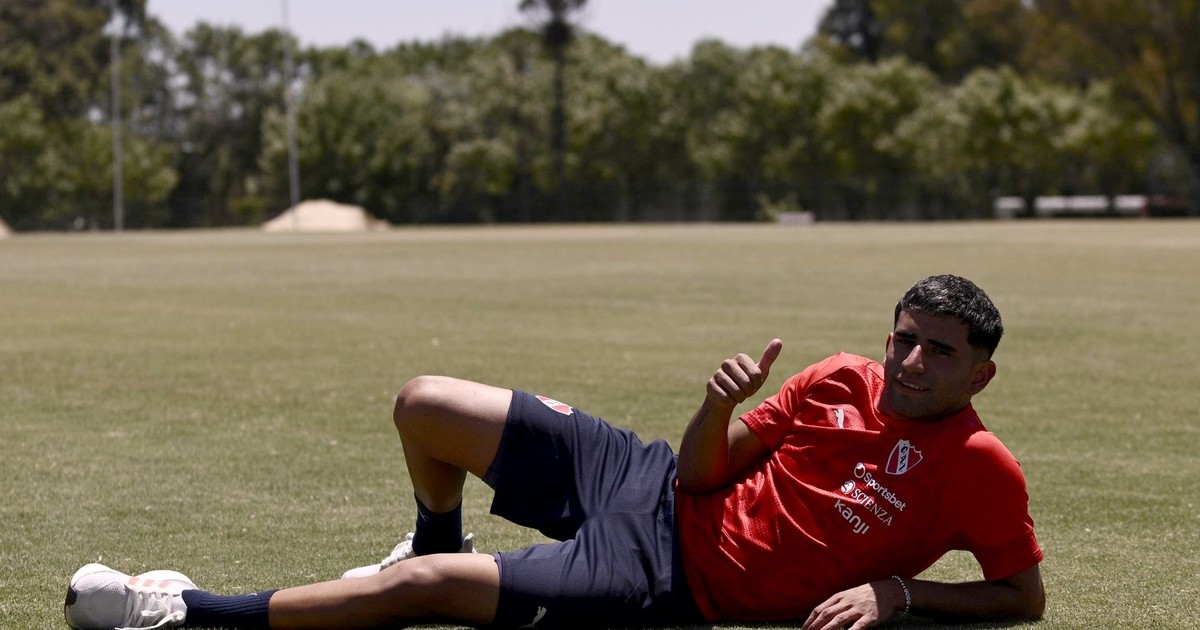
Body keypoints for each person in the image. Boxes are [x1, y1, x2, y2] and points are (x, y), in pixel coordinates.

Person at [65, 274, 1045, 630]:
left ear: (981, 373)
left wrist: (899, 592)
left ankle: (180, 609)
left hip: (669, 577)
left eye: (938, 351)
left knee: (421, 594)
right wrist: (715, 407)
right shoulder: (836, 377)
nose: (910, 362)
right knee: (425, 403)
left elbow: (1021, 596)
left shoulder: (980, 465)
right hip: (648, 478)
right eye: (903, 339)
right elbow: (703, 471)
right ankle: (432, 532)